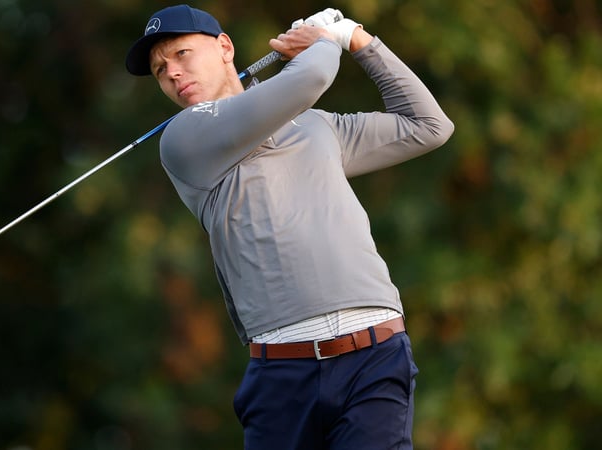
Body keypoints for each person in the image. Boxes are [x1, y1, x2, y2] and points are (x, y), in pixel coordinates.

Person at [125, 4, 454, 449]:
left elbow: (428, 126)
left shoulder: (317, 126)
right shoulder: (183, 139)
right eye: (160, 69)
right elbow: (310, 78)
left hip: (374, 353)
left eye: (182, 53)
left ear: (225, 47)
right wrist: (323, 41)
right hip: (283, 372)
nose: (172, 73)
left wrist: (358, 39)